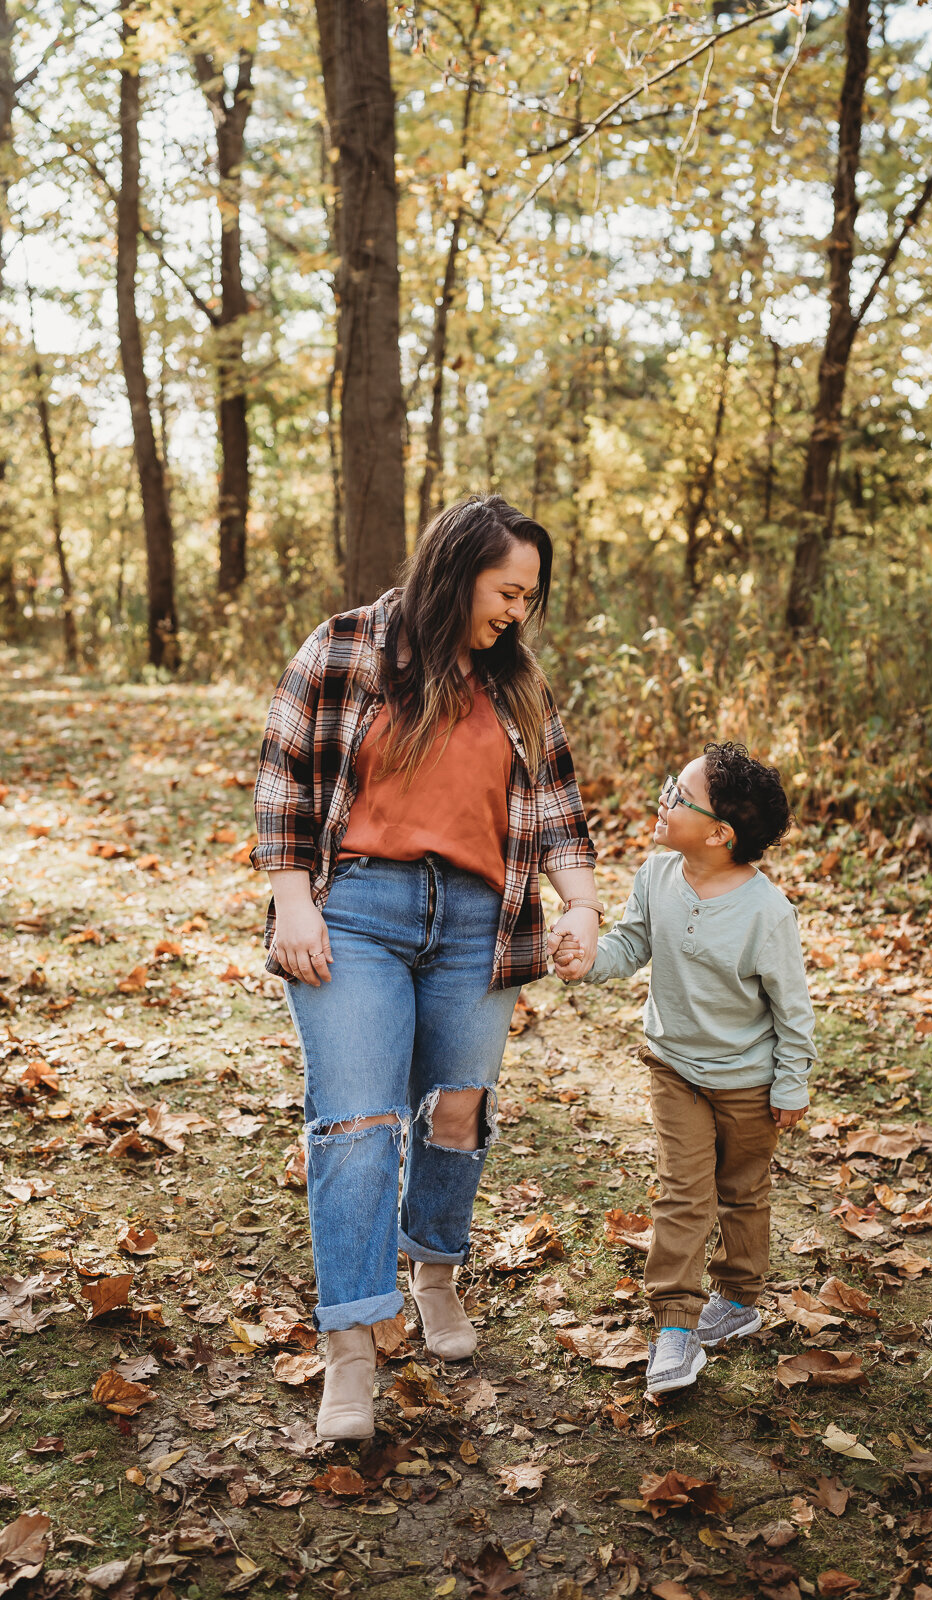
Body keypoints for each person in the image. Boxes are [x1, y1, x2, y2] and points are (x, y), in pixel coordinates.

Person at [251, 495, 601, 1440]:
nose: (517, 612)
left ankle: (435, 1271)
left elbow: (559, 803)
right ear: (457, 570)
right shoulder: (345, 647)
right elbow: (283, 778)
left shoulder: (517, 681)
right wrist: (292, 903)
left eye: (529, 597)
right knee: (356, 1123)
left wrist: (579, 903)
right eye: (507, 591)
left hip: (479, 926)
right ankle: (352, 1349)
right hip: (358, 912)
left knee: (457, 1111)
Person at [552, 742, 815, 1397]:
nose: (662, 798)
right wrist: (589, 960)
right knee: (682, 1195)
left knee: (743, 1192)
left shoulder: (765, 912)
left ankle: (739, 1297)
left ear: (719, 834)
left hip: (748, 1082)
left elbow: (791, 1006)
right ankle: (674, 1329)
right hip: (673, 1067)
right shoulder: (656, 874)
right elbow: (633, 941)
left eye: (678, 794)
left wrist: (789, 1082)